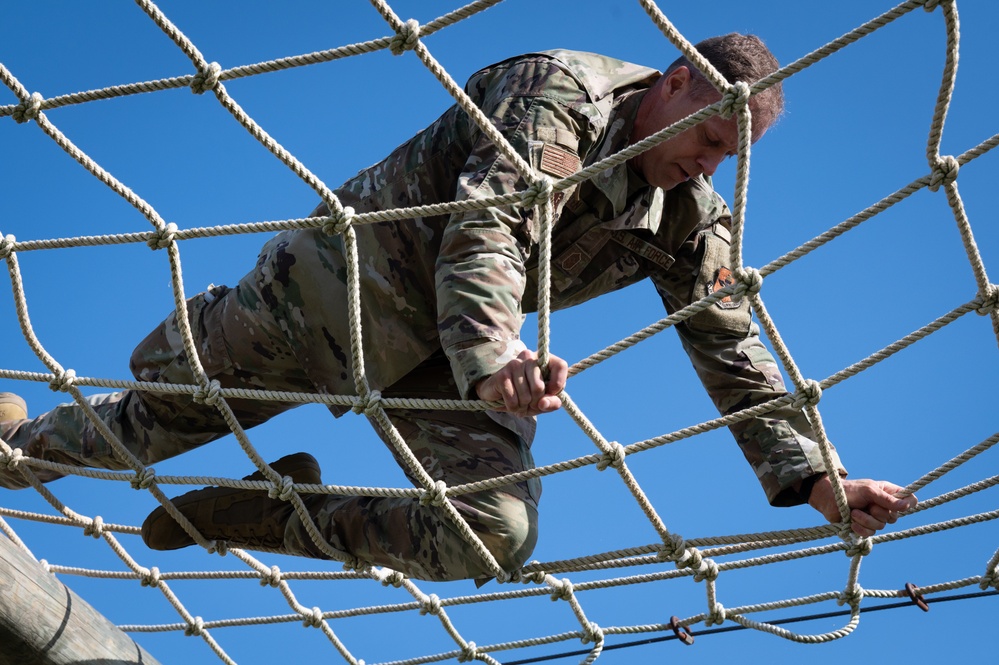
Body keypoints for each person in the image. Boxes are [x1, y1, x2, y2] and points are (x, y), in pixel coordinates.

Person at [0, 34, 916, 583]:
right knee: (130, 434)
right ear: (674, 80)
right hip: (327, 298)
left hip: (442, 362)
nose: (712, 163)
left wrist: (814, 481)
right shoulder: (557, 92)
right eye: (711, 138)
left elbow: (728, 347)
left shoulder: (689, 214)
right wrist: (497, 360)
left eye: (733, 155)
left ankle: (270, 513)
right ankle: (12, 450)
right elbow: (490, 228)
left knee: (493, 536)